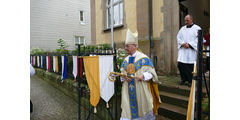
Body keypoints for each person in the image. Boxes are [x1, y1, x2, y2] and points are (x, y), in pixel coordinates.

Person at [120, 29, 161, 120]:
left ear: (135, 46)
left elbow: (152, 74)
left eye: (127, 46)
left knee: (143, 112)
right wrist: (124, 77)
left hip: (141, 90)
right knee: (127, 113)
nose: (125, 48)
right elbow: (121, 76)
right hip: (127, 92)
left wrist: (143, 76)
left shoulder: (144, 59)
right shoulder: (125, 60)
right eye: (125, 46)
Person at [177, 14, 201, 87]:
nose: (186, 22)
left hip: (191, 51)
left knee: (190, 66)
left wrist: (190, 45)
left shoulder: (197, 28)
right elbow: (178, 37)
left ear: (191, 20)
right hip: (183, 51)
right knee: (180, 65)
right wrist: (183, 43)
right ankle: (183, 79)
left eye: (187, 20)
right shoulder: (182, 29)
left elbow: (199, 39)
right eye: (185, 20)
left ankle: (190, 80)